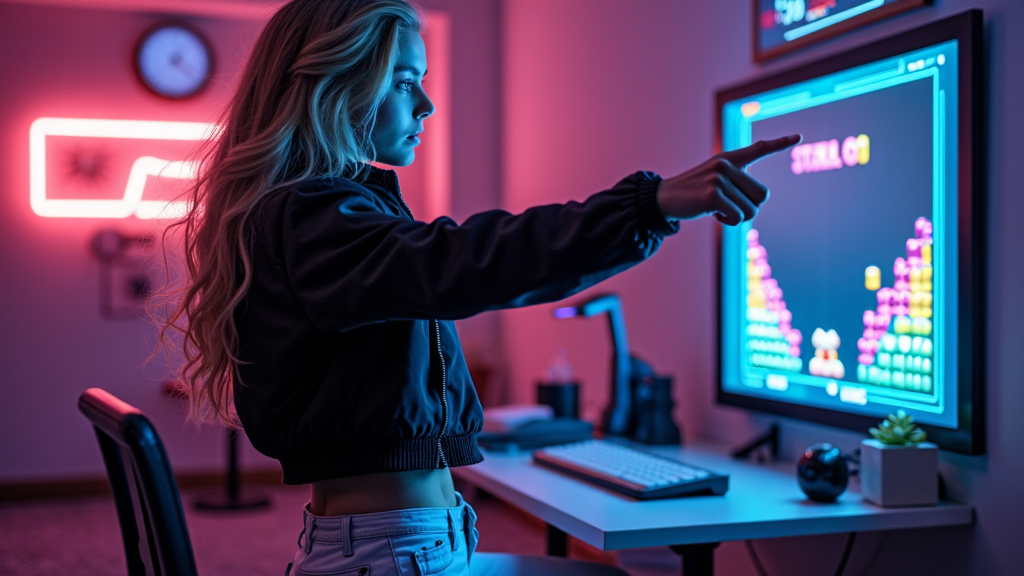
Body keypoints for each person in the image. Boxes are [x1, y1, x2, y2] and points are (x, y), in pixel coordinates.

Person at [158, 0, 799, 574]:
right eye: (405, 82)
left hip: (398, 543)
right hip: (392, 553)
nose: (427, 105)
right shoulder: (313, 221)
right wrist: (647, 206)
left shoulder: (317, 215)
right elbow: (469, 260)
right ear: (335, 88)